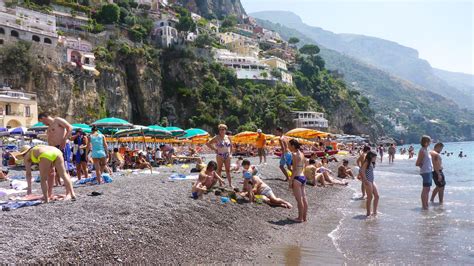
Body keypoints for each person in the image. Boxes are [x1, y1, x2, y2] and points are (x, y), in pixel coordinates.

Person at [38, 112, 73, 188]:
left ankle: (69, 190)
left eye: (42, 122)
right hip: (53, 148)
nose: (43, 124)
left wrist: (64, 140)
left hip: (61, 146)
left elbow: (70, 128)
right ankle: (56, 183)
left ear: (43, 118)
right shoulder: (49, 127)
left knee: (64, 167)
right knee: (54, 168)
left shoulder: (57, 120)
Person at [288, 139, 308, 223]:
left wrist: (290, 180)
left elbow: (295, 169)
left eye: (289, 145)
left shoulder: (294, 154)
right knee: (304, 198)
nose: (288, 146)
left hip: (297, 178)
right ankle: (304, 218)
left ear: (293, 146)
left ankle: (299, 218)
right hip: (303, 177)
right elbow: (305, 164)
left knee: (299, 200)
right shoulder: (302, 153)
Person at [416, 135, 433, 210]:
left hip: (429, 171)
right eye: (429, 141)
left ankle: (426, 204)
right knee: (425, 189)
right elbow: (417, 163)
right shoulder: (422, 150)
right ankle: (424, 206)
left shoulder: (427, 150)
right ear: (426, 142)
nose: (430, 142)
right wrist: (423, 167)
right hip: (425, 172)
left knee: (428, 189)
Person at [360, 151, 379, 217]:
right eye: (375, 157)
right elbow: (361, 170)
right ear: (371, 156)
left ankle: (374, 212)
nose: (375, 158)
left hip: (372, 181)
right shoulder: (367, 162)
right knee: (370, 197)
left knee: (377, 196)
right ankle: (368, 213)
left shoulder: (371, 162)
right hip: (367, 181)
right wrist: (365, 180)